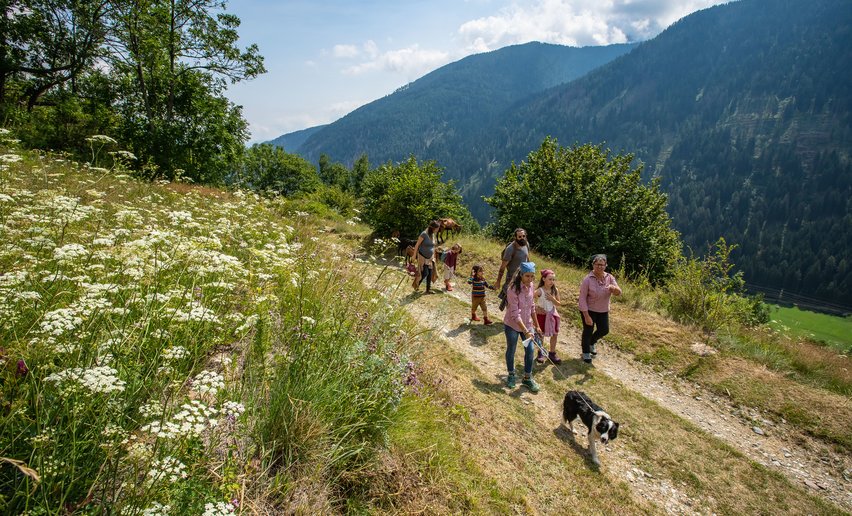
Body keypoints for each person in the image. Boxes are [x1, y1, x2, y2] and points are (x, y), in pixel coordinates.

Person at [503, 261, 543, 392]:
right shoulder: (512, 290)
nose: (530, 279)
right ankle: (511, 375)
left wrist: (536, 326)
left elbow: (532, 306)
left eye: (532, 276)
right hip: (513, 325)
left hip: (527, 324)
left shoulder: (531, 286)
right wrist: (526, 332)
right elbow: (515, 314)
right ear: (521, 275)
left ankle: (527, 378)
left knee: (530, 350)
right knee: (512, 348)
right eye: (527, 276)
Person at [578, 254, 622, 364]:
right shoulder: (587, 279)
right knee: (588, 331)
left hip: (603, 310)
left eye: (602, 265)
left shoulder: (610, 278)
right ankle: (586, 352)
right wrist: (586, 315)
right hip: (589, 310)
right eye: (597, 264)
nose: (600, 267)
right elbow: (582, 298)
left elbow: (619, 292)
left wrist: (614, 289)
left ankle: (592, 342)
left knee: (604, 330)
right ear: (593, 265)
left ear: (606, 265)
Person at [496, 228, 530, 310]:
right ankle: (510, 319)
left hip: (524, 278)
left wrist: (530, 271)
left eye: (523, 236)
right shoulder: (510, 249)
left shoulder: (526, 244)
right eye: (519, 237)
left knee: (521, 299)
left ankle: (514, 318)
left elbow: (527, 257)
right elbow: (502, 267)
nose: (522, 238)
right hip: (512, 279)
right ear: (515, 237)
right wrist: (498, 281)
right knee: (512, 300)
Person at [534, 269, 562, 364]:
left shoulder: (555, 290)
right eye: (550, 279)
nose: (552, 282)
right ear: (544, 279)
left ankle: (552, 353)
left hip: (552, 314)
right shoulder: (539, 291)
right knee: (541, 334)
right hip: (541, 316)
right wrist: (536, 307)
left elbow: (558, 304)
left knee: (555, 334)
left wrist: (552, 299)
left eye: (553, 279)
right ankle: (540, 352)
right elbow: (529, 299)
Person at [412, 220, 440, 294]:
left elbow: (433, 246)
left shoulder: (433, 235)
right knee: (424, 273)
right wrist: (414, 255)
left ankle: (428, 290)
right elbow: (417, 245)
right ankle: (416, 285)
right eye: (437, 228)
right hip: (422, 256)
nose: (438, 229)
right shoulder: (424, 234)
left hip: (430, 257)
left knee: (430, 273)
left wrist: (434, 255)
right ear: (433, 228)